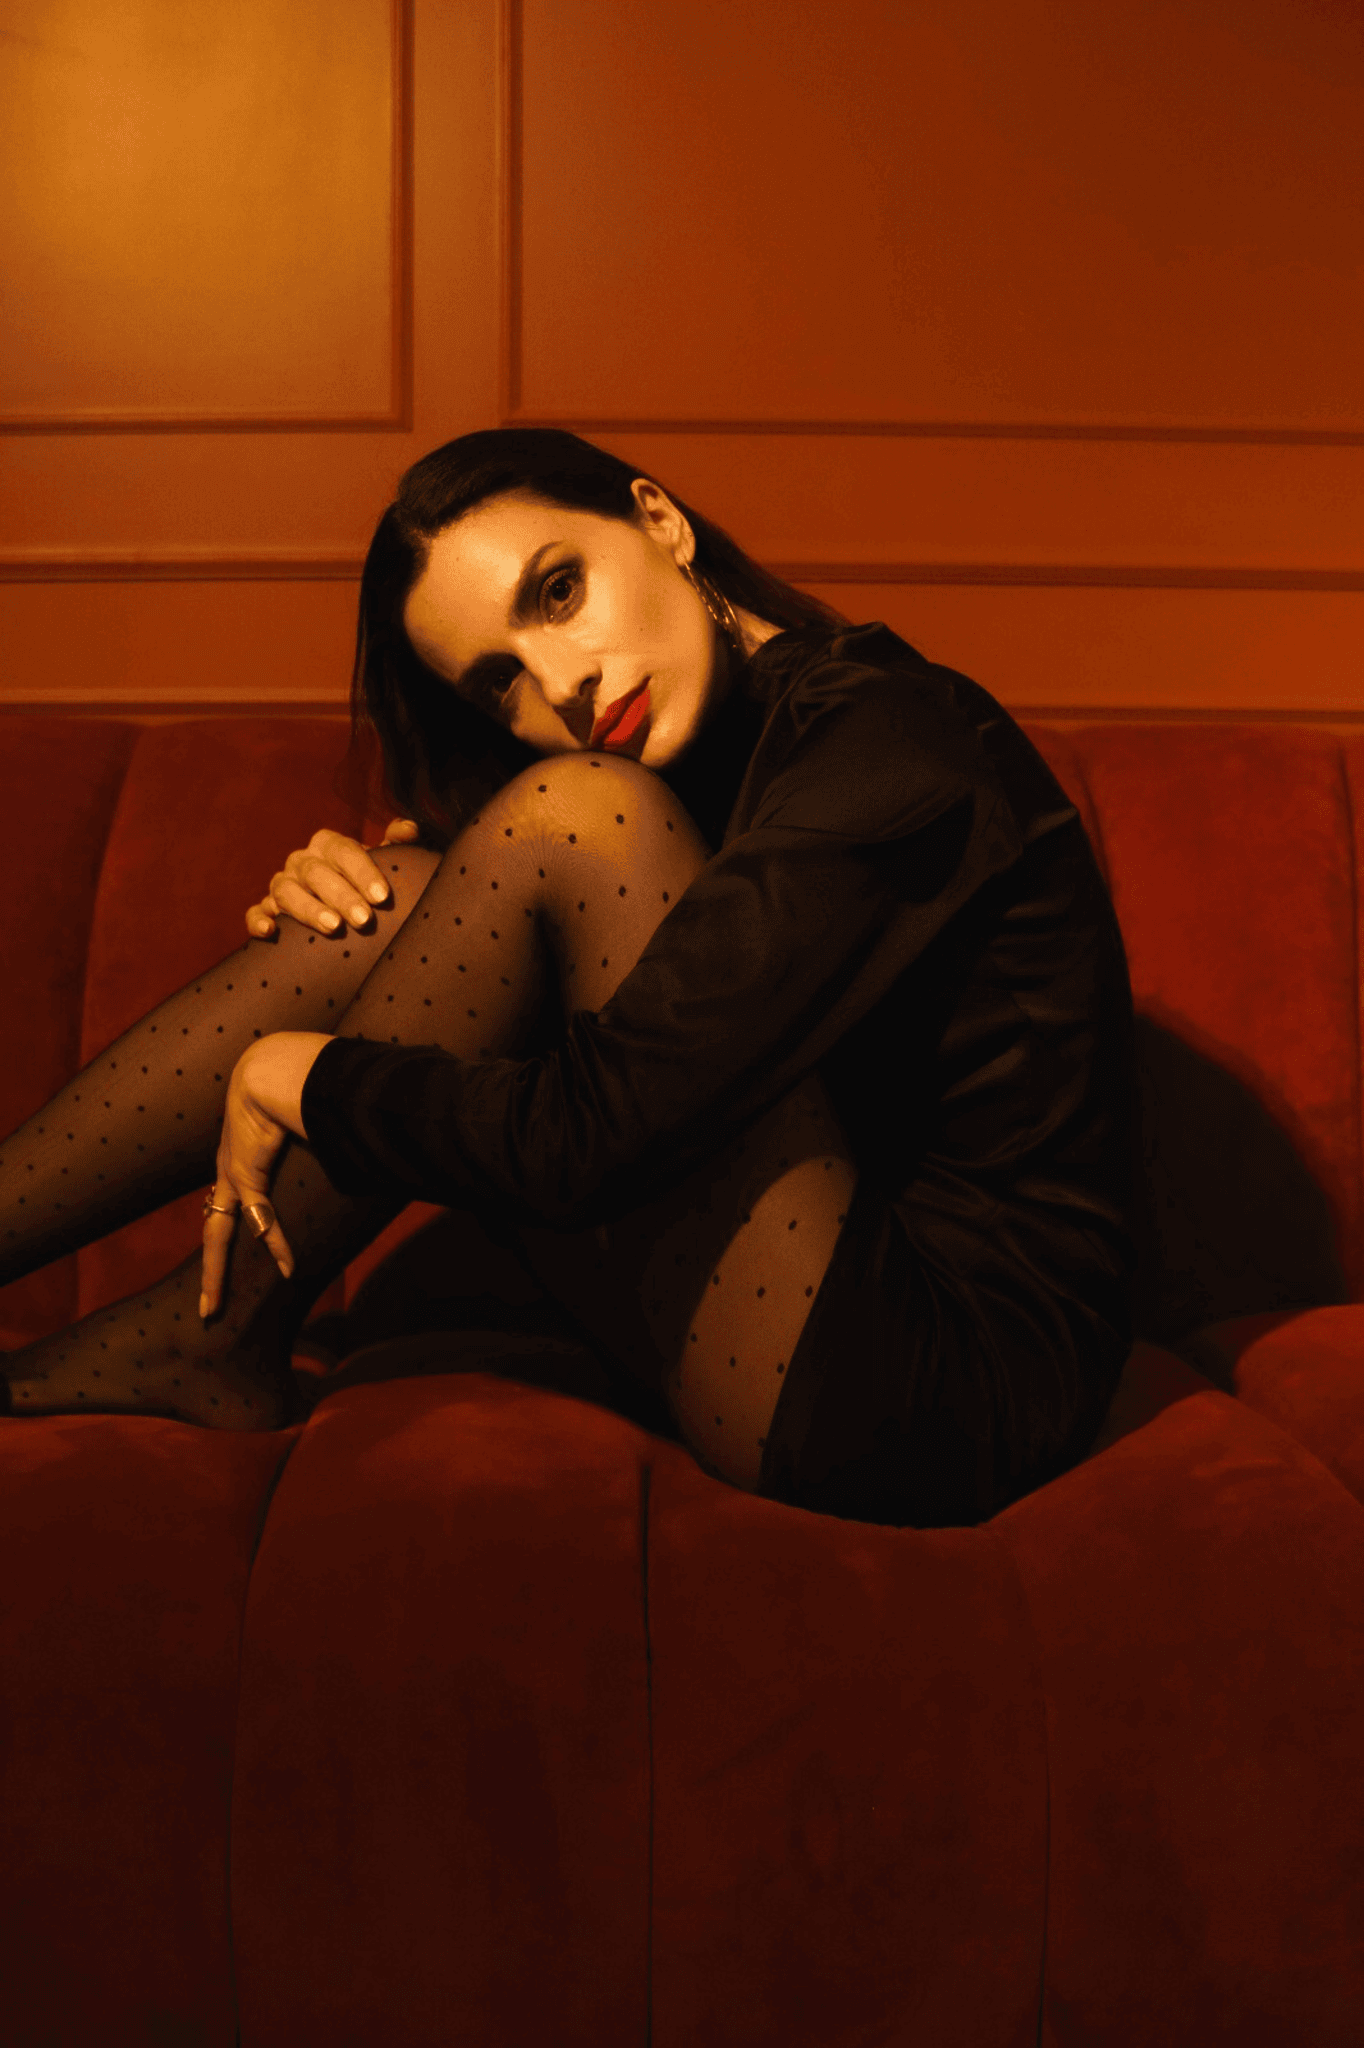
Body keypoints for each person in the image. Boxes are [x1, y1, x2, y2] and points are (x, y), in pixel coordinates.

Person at [0, 428, 1137, 1527]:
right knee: (395, 891)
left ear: (659, 521)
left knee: (573, 813)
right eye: (500, 684)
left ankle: (203, 1329)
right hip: (803, 1258)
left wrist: (304, 1076)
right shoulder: (707, 772)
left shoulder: (890, 739)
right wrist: (394, 900)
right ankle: (200, 1332)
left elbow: (589, 1135)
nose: (562, 680)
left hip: (945, 1379)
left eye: (557, 591)